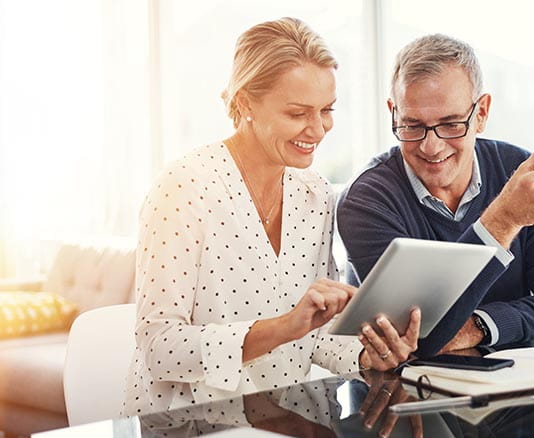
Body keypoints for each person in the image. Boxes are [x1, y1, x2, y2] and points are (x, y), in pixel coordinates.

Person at [123, 17, 419, 417]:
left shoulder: (314, 193)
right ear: (246, 103)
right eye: (298, 113)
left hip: (290, 418)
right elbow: (160, 348)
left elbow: (316, 335)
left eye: (327, 110)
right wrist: (284, 327)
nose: (318, 129)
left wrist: (368, 354)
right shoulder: (185, 188)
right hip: (188, 421)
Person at [337, 34, 534, 358]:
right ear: (394, 113)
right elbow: (421, 337)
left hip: (515, 380)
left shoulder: (520, 175)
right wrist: (504, 219)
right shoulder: (366, 201)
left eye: (450, 124)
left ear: (482, 113)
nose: (431, 147)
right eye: (412, 125)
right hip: (404, 387)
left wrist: (479, 325)